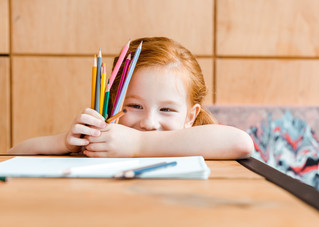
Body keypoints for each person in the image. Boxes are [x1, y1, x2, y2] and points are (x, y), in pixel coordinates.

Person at [8, 37, 254, 159]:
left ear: (191, 116)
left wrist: (138, 144)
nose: (148, 123)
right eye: (135, 106)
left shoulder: (197, 140)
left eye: (166, 110)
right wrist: (64, 142)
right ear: (112, 104)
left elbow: (241, 143)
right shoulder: (103, 143)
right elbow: (13, 154)